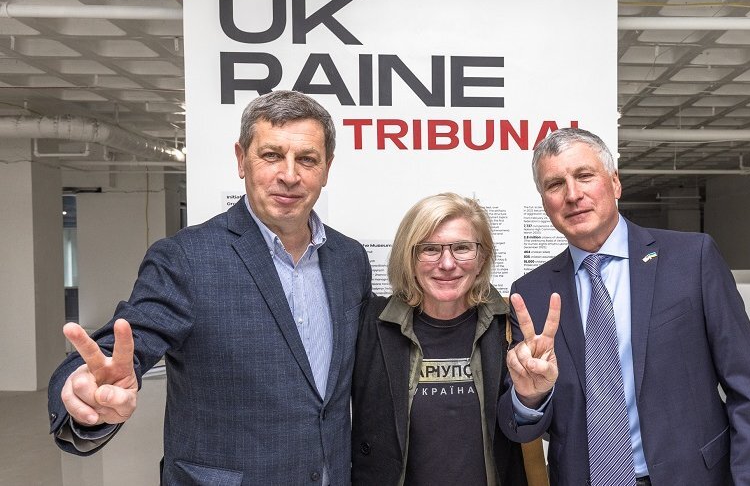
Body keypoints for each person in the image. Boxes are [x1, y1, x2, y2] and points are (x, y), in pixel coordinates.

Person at [46, 90, 371, 485]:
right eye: (271, 155)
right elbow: (132, 339)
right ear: (241, 159)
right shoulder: (186, 258)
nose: (289, 175)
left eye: (307, 159)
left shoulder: (349, 259)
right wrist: (87, 388)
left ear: (326, 167)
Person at [499, 128, 750, 485]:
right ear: (544, 202)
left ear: (615, 183)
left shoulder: (692, 259)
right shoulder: (531, 293)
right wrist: (530, 396)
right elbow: (519, 428)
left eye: (584, 176)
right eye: (555, 185)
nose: (572, 194)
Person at [352, 193, 555, 485]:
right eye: (429, 249)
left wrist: (530, 397)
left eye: (462, 248)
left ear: (482, 258)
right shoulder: (372, 325)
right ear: (409, 258)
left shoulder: (507, 327)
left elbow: (520, 431)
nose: (447, 263)